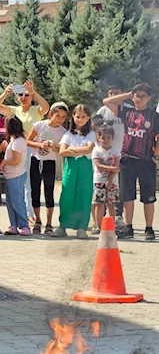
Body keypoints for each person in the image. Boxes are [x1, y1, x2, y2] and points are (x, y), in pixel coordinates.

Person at [104, 84, 159, 240]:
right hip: (127, 160)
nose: (139, 99)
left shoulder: (154, 116)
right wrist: (127, 94)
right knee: (128, 196)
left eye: (142, 96)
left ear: (149, 98)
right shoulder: (127, 112)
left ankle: (149, 228)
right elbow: (107, 101)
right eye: (137, 95)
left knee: (148, 196)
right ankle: (129, 227)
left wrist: (156, 156)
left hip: (146, 160)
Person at [0, 81, 50, 221]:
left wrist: (34, 92)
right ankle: (22, 214)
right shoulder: (14, 110)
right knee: (17, 181)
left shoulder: (36, 110)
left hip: (31, 149)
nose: (23, 97)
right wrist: (6, 93)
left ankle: (29, 213)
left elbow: (46, 108)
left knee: (28, 182)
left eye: (26, 95)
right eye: (20, 95)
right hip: (15, 149)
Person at [53, 105, 96, 238]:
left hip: (85, 166)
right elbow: (62, 151)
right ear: (73, 117)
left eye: (83, 117)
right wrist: (79, 150)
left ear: (88, 118)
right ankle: (63, 226)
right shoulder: (68, 134)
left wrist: (71, 149)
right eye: (78, 116)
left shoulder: (91, 133)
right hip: (71, 166)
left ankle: (82, 227)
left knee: (84, 195)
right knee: (67, 194)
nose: (80, 119)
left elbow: (88, 149)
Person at [25, 102, 68, 235]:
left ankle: (49, 223)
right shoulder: (39, 125)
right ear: (50, 114)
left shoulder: (63, 132)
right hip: (36, 160)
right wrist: (40, 144)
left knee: (49, 191)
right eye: (57, 116)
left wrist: (53, 147)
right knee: (35, 190)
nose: (60, 119)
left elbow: (62, 150)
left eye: (63, 117)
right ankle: (38, 220)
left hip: (50, 162)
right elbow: (27, 141)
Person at [0, 116, 30, 236]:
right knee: (11, 202)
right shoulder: (14, 140)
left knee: (17, 201)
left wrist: (5, 162)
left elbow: (17, 161)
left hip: (15, 175)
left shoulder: (18, 142)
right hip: (10, 175)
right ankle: (13, 224)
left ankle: (24, 225)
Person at [92, 124, 121, 235]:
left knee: (111, 205)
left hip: (112, 182)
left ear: (112, 138)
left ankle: (111, 226)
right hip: (99, 181)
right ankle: (98, 225)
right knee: (99, 204)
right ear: (99, 138)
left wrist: (110, 179)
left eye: (108, 137)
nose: (106, 140)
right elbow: (98, 165)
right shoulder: (96, 150)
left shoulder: (116, 151)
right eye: (103, 137)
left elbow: (117, 167)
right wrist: (110, 168)